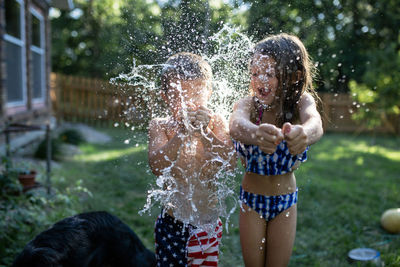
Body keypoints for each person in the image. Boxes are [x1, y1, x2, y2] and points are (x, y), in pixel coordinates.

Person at [229, 33, 324, 267]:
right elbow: (235, 124)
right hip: (251, 201)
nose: (260, 80)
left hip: (286, 202)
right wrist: (254, 133)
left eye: (269, 74)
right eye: (254, 73)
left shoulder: (301, 103)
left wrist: (304, 133)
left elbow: (316, 123)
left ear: (294, 76)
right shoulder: (249, 105)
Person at [148, 52, 235, 267]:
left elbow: (230, 163)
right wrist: (180, 136)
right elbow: (157, 166)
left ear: (209, 94)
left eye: (197, 96)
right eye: (180, 97)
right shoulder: (160, 126)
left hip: (207, 226)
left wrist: (205, 133)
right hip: (172, 225)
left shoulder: (216, 124)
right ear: (166, 97)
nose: (190, 105)